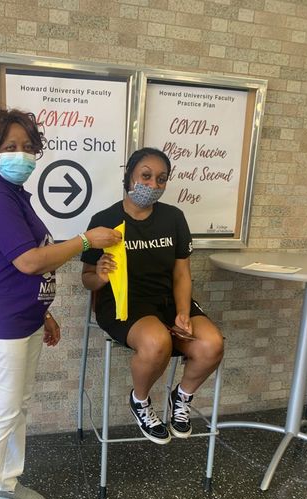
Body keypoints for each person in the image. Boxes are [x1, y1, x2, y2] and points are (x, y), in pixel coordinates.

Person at [0, 107, 121, 499]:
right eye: (11, 146)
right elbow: (29, 261)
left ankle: (6, 483)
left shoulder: (16, 195)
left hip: (24, 316)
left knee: (19, 406)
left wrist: (43, 311)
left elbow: (17, 262)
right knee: (1, 412)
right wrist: (85, 241)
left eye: (29, 147)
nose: (22, 154)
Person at [81, 147, 224, 445]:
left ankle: (181, 397)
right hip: (123, 303)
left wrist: (182, 312)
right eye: (145, 176)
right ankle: (140, 401)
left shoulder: (174, 218)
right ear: (129, 176)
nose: (153, 185)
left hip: (167, 301)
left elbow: (181, 273)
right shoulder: (105, 219)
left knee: (211, 344)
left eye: (161, 179)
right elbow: (87, 279)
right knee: (157, 342)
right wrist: (101, 276)